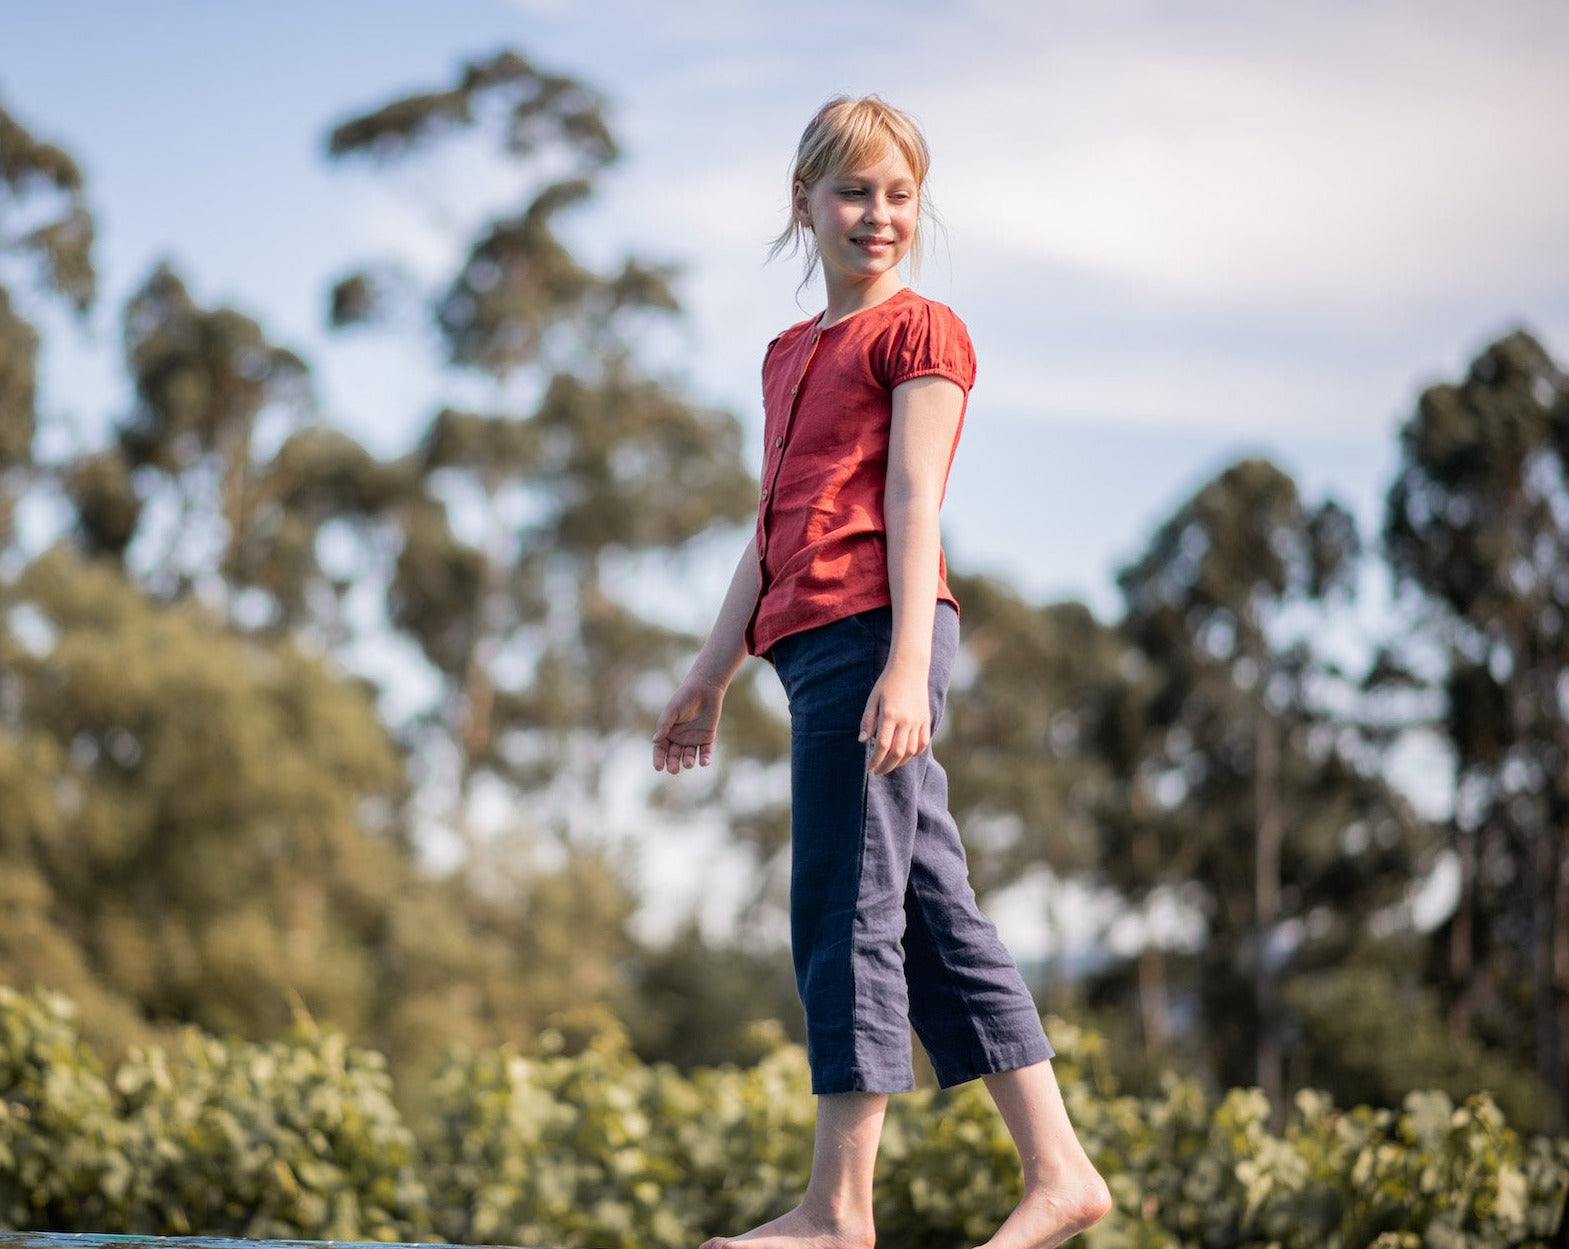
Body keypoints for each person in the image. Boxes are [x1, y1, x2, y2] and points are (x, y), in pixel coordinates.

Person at [651, 95, 1111, 1249]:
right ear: (802, 202)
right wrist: (711, 670)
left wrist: (905, 667)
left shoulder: (922, 334)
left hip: (878, 637)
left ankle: (836, 1211)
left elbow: (913, 500)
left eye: (899, 193)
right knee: (924, 906)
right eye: (854, 190)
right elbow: (769, 529)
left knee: (842, 906)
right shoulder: (787, 355)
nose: (878, 214)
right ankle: (1060, 1172)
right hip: (813, 651)